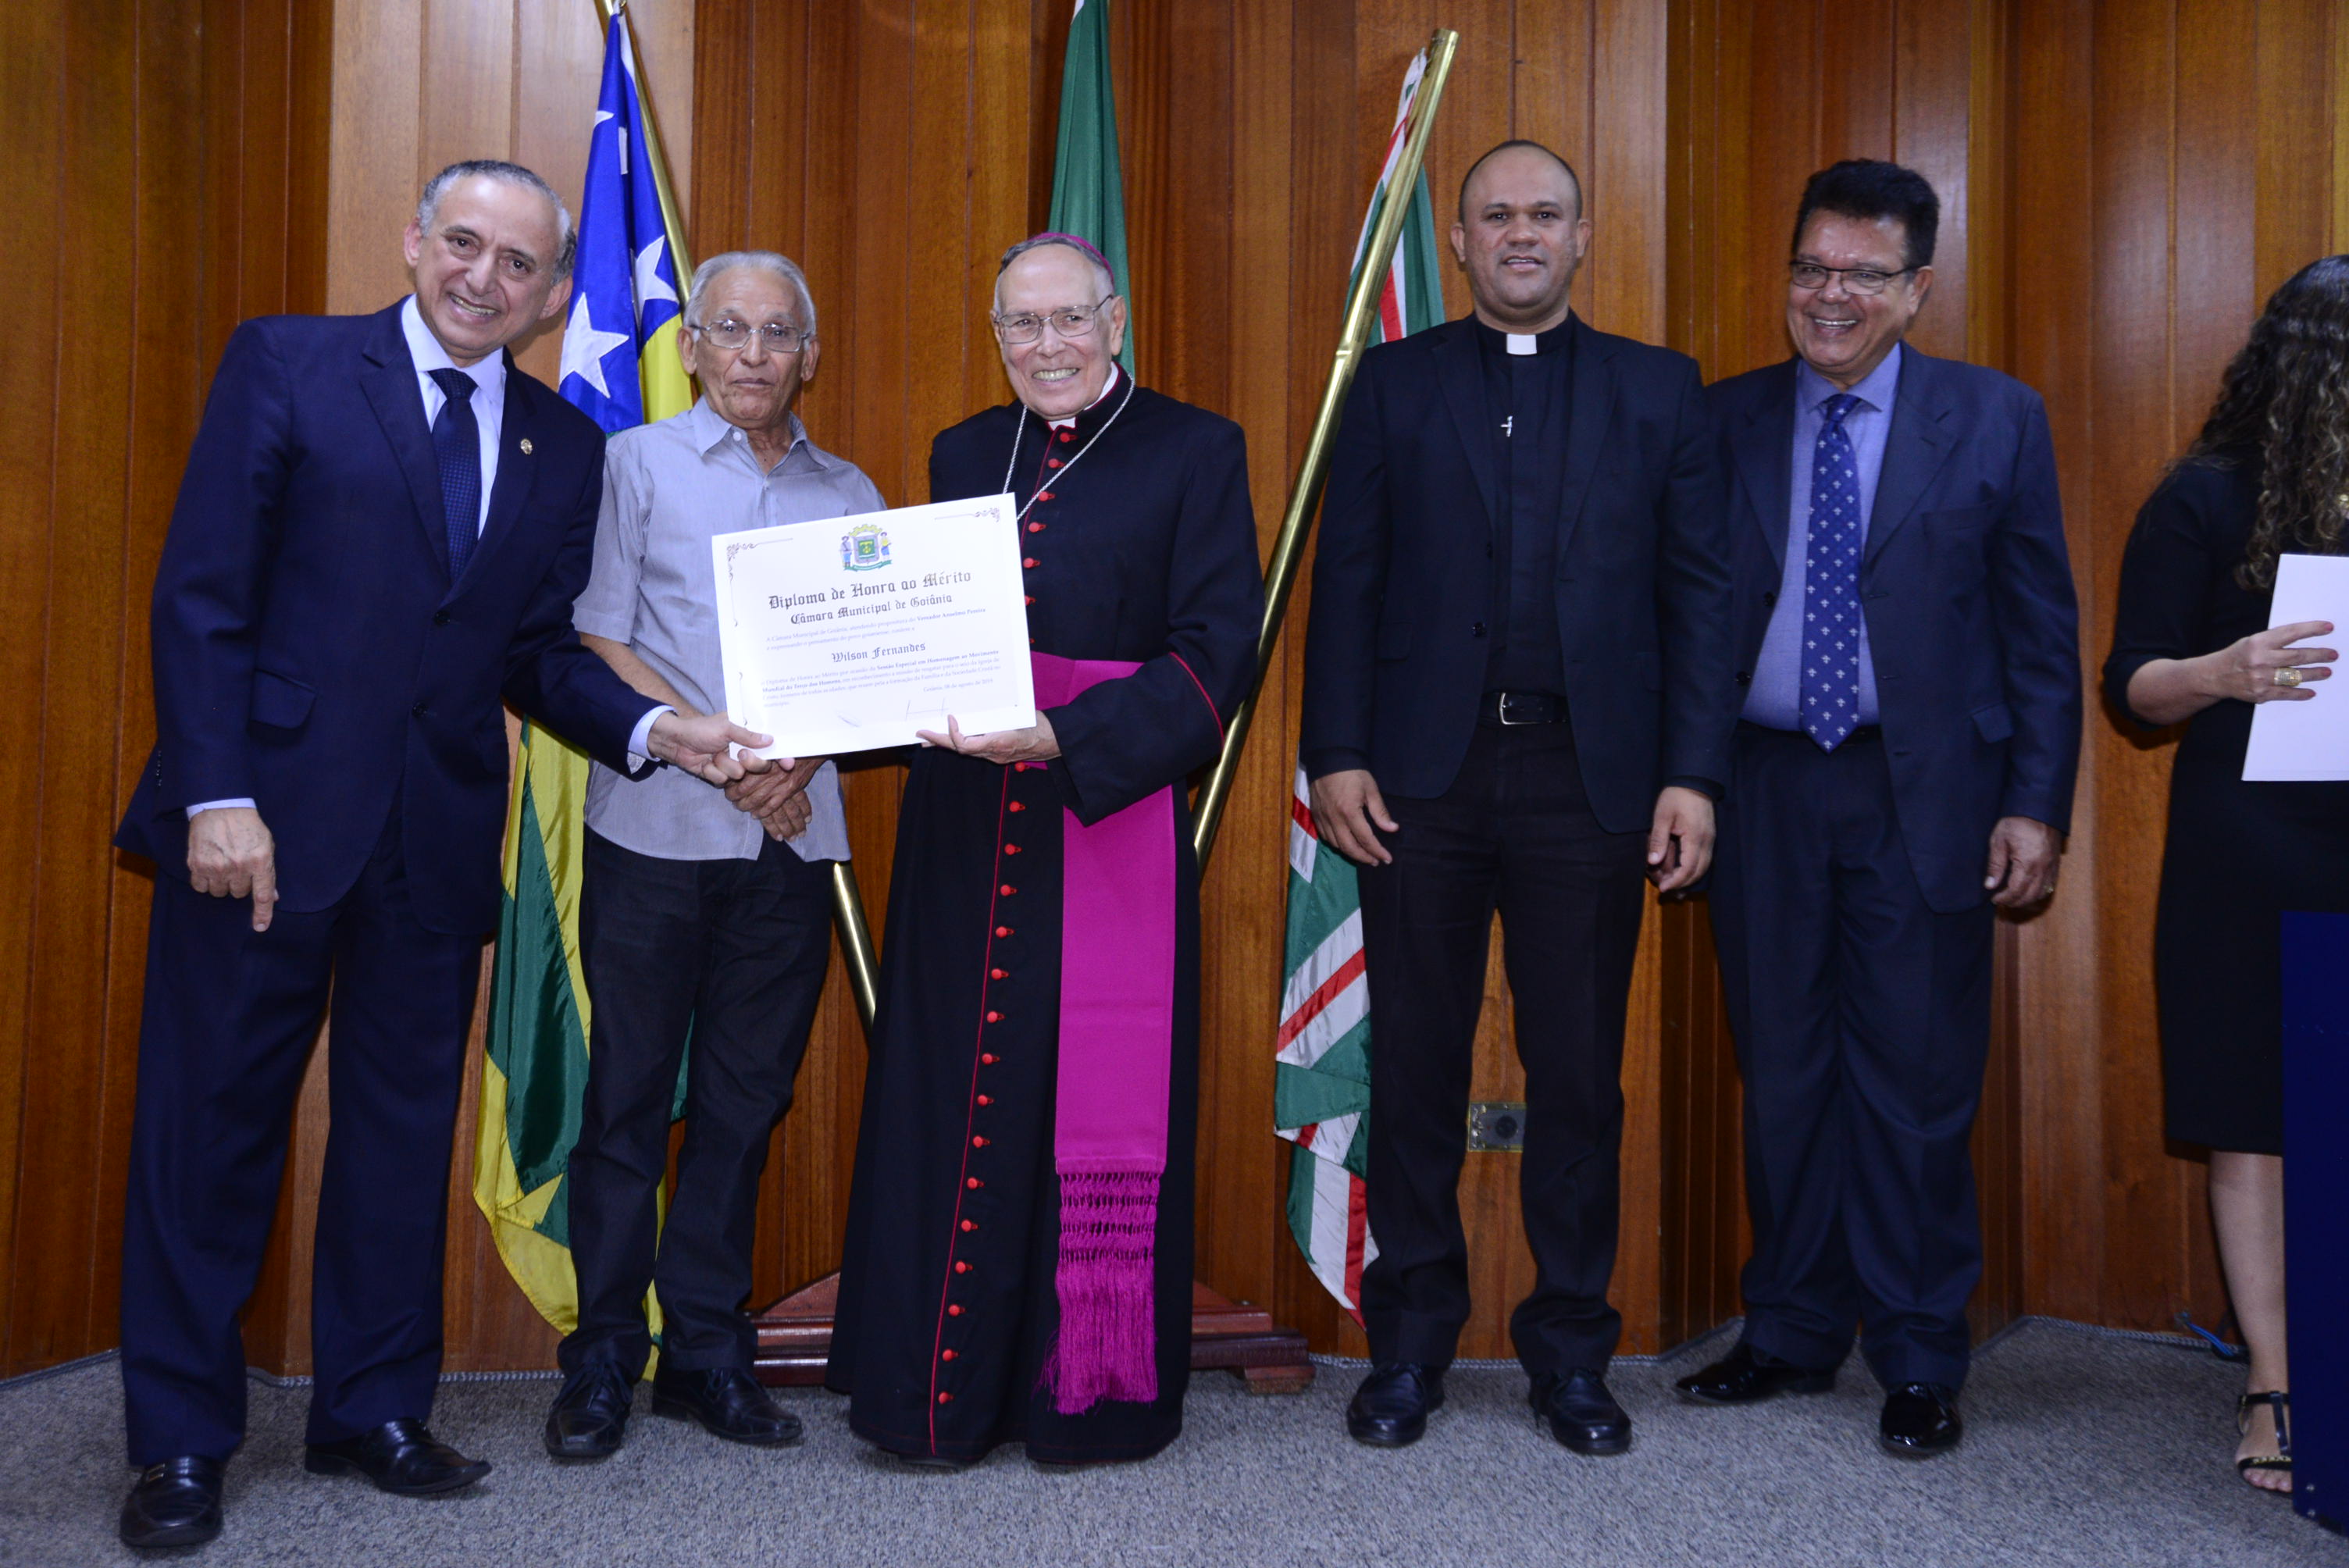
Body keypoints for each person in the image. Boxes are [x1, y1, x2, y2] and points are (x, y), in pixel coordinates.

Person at [109, 160, 764, 1549]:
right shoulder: (289, 365)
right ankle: (178, 1443)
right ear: (415, 242)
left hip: (434, 844)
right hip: (261, 833)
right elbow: (204, 593)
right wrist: (216, 794)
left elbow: (536, 654)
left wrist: (661, 728)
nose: (484, 277)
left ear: (549, 296)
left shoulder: (561, 445)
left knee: (400, 1144)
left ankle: (373, 1411)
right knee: (207, 1136)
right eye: (464, 244)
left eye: (519, 264)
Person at [1302, 141, 1738, 1456]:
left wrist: (1693, 773)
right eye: (1496, 216)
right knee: (1416, 1069)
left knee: (1580, 1081)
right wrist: (1335, 753)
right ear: (1459, 243)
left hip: (1590, 786)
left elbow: (1701, 600)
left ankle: (1572, 1356)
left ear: (1583, 235)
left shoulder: (1661, 390)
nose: (1522, 234)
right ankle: (1410, 1349)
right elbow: (1348, 578)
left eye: (1546, 213)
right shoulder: (1394, 384)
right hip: (1419, 785)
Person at [818, 233, 1262, 1467]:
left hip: (1103, 809)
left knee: (1082, 1101)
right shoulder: (965, 451)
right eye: (1022, 324)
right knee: (953, 1087)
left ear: (1115, 323)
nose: (1048, 345)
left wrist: (1067, 734)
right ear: (998, 336)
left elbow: (1217, 652)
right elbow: (913, 631)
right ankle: (935, 1395)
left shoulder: (1196, 448)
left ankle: (1085, 1398)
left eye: (1070, 319)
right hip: (968, 818)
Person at [1677, 160, 2080, 1459]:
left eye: (1862, 274)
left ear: (1917, 288)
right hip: (1764, 787)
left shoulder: (1998, 418)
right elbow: (1682, 619)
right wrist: (1683, 775)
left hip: (1931, 793)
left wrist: (2036, 803)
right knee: (1784, 1073)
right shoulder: (1722, 419)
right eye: (1811, 268)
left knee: (1916, 1081)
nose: (1830, 295)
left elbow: (2041, 632)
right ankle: (1792, 1330)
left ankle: (1916, 1352)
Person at [540, 251, 882, 1461]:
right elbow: (595, 638)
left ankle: (704, 1357)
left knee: (745, 1105)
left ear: (809, 355)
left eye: (778, 333)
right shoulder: (633, 464)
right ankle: (600, 1361)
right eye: (730, 329)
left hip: (794, 841)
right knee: (627, 1102)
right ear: (691, 347)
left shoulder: (851, 492)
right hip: (656, 832)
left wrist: (802, 758)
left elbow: (877, 664)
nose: (753, 352)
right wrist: (725, 761)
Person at [2103, 255, 2349, 1494]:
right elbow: (2132, 687)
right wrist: (2226, 672)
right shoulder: (2203, 496)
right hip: (2250, 848)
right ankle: (2276, 1386)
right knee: (2258, 1116)